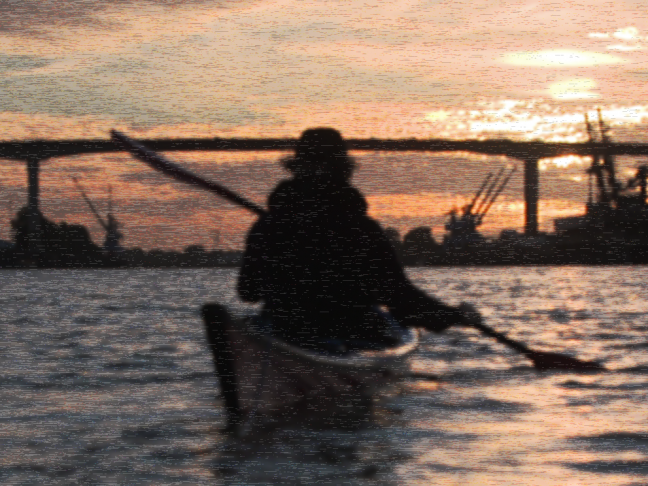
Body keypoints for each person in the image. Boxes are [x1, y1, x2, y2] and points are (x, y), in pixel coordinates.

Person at [237, 127, 479, 347]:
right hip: (350, 332)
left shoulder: (268, 225)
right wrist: (455, 315)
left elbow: (248, 291)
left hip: (284, 328)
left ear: (295, 168)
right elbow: (400, 299)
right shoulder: (363, 229)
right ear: (345, 170)